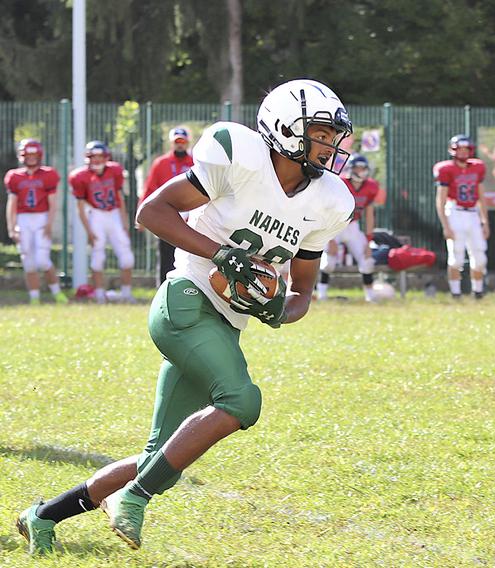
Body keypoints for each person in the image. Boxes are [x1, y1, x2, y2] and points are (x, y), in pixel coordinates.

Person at [15, 78, 355, 554]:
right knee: (242, 401)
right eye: (319, 131)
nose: (331, 143)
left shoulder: (328, 200)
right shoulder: (240, 157)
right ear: (284, 128)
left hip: (226, 325)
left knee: (161, 457)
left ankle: (45, 515)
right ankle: (133, 498)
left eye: (332, 133)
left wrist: (277, 309)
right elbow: (152, 212)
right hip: (184, 301)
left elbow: (301, 294)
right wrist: (222, 255)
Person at [69, 141, 135, 303]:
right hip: (96, 215)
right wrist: (89, 231)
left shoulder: (115, 170)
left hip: (113, 214)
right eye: (94, 157)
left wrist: (124, 221)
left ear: (106, 157)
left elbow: (119, 198)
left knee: (127, 257)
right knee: (97, 256)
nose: (97, 160)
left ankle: (126, 293)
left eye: (100, 157)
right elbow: (80, 206)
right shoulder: (79, 176)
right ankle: (99, 294)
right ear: (88, 158)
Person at [4, 138, 67, 304]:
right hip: (23, 219)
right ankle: (34, 298)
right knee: (28, 262)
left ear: (40, 155)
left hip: (41, 216)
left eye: (34, 154)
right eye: (28, 154)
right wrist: (12, 227)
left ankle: (57, 293)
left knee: (42, 260)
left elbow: (52, 203)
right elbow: (12, 204)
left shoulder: (48, 174)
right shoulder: (14, 176)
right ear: (22, 156)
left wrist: (49, 223)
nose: (31, 158)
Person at [317, 154, 380, 301]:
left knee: (367, 260)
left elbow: (370, 214)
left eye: (363, 168)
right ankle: (322, 295)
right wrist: (330, 238)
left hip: (352, 226)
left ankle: (370, 297)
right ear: (351, 169)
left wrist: (369, 241)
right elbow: (328, 210)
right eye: (358, 168)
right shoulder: (341, 183)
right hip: (335, 225)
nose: (361, 171)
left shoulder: (370, 186)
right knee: (328, 263)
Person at [433, 135, 489, 298]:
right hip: (455, 212)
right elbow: (440, 200)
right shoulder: (446, 169)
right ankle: (455, 293)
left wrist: (485, 221)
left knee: (479, 256)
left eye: (466, 149)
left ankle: (477, 291)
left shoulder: (477, 167)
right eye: (460, 149)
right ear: (453, 150)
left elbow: (481, 197)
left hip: (472, 213)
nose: (463, 153)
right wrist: (445, 225)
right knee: (456, 257)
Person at [141, 127, 195, 285]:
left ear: (187, 143)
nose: (180, 145)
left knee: (189, 254)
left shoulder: (194, 162)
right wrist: (143, 213)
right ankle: (163, 288)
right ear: (172, 143)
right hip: (166, 214)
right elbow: (150, 188)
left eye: (183, 142)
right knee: (165, 254)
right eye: (177, 142)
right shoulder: (161, 163)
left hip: (190, 215)